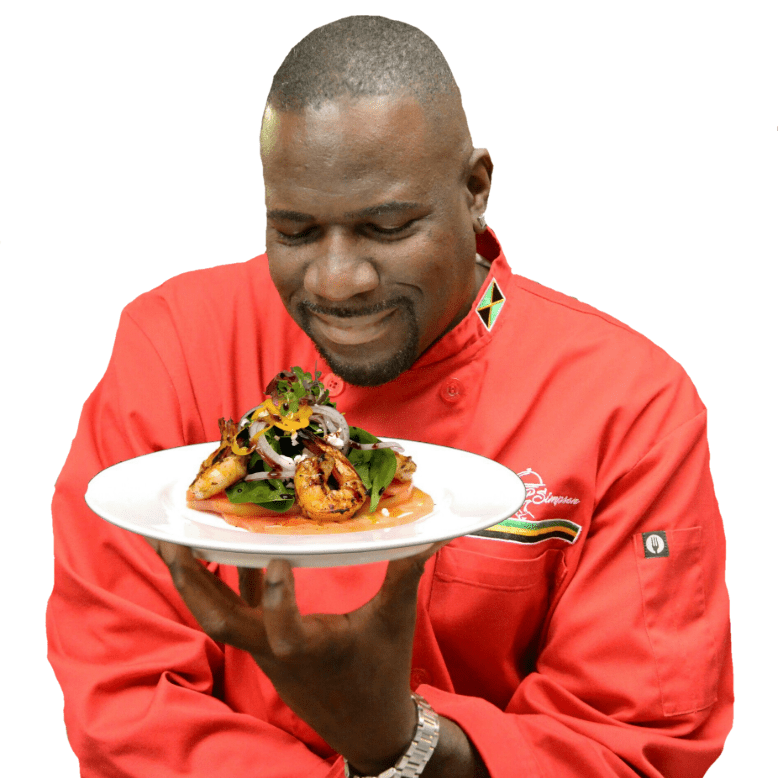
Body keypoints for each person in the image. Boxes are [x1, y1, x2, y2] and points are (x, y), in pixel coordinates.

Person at [47, 15, 733, 778]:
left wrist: (400, 743)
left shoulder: (631, 405)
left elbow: (634, 743)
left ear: (475, 190)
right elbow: (122, 697)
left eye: (387, 226)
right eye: (297, 231)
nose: (337, 281)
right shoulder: (173, 345)